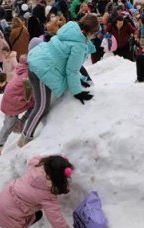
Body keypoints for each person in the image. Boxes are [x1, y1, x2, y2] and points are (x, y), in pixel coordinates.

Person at [21, 15, 98, 145]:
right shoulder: (79, 45)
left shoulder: (71, 30)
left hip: (38, 62)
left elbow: (63, 59)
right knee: (42, 107)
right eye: (95, 34)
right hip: (42, 71)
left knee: (41, 104)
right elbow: (71, 70)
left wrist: (79, 80)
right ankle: (25, 138)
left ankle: (25, 129)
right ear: (90, 32)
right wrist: (77, 91)